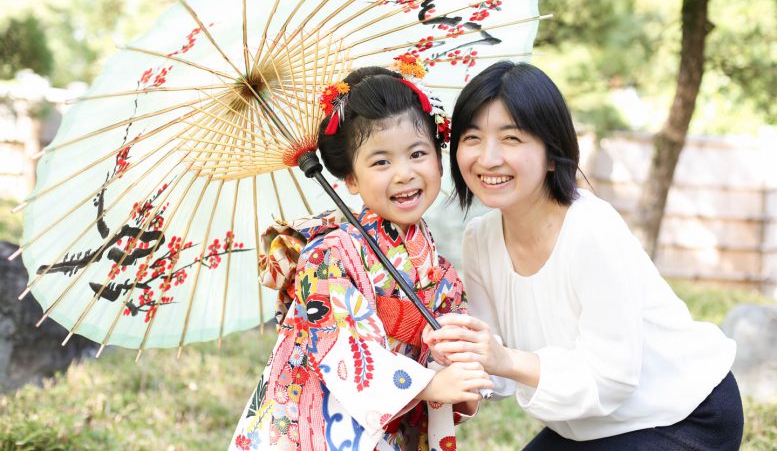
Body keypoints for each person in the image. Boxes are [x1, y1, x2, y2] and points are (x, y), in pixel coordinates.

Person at [423, 61, 744, 450]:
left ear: (552, 153)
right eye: (472, 138)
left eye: (511, 138)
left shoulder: (591, 229)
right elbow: (499, 370)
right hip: (585, 425)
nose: (488, 158)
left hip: (681, 414)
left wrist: (503, 358)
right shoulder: (480, 239)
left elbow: (613, 378)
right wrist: (461, 354)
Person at [230, 63, 493, 451]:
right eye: (381, 161)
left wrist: (454, 366)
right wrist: (432, 384)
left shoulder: (441, 272)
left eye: (417, 153)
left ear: (439, 160)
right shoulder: (329, 255)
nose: (404, 174)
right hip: (315, 422)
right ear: (351, 178)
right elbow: (340, 350)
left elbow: (450, 353)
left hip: (388, 425)